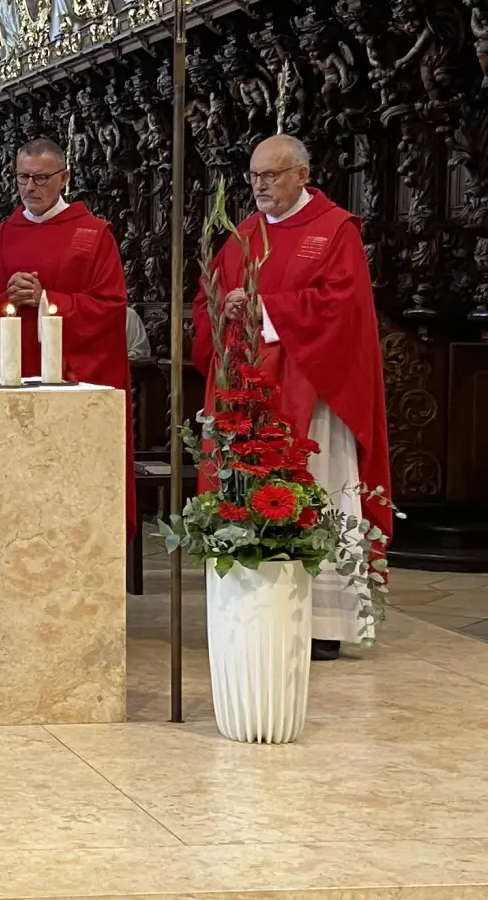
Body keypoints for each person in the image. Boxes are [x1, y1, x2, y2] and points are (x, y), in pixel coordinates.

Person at [194, 134, 392, 661]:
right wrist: (225, 308)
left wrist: (266, 309)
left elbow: (343, 308)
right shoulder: (242, 236)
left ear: (302, 175)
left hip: (313, 393)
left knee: (319, 489)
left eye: (272, 175)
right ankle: (253, 602)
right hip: (250, 393)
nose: (260, 186)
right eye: (254, 176)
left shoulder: (334, 231)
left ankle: (321, 620)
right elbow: (204, 302)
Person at [0, 138, 135, 535]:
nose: (30, 187)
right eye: (23, 177)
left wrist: (46, 300)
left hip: (73, 384)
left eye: (41, 178)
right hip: (12, 385)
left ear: (64, 178)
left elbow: (109, 308)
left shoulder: (93, 235)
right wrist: (8, 300)